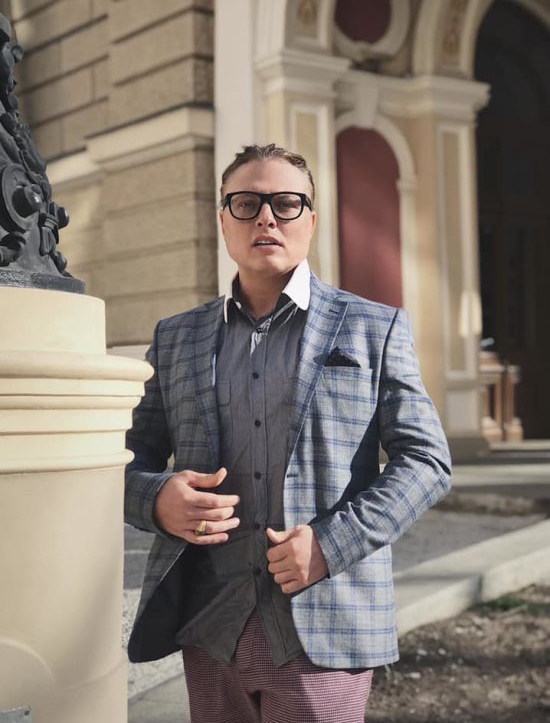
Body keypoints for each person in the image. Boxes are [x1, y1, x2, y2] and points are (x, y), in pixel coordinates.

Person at [124, 143, 452, 722]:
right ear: (223, 220)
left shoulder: (374, 327)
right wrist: (157, 500)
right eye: (247, 204)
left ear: (311, 220)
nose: (267, 218)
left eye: (286, 203)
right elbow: (124, 458)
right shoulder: (176, 337)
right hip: (209, 625)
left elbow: (427, 462)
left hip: (326, 626)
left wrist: (331, 544)